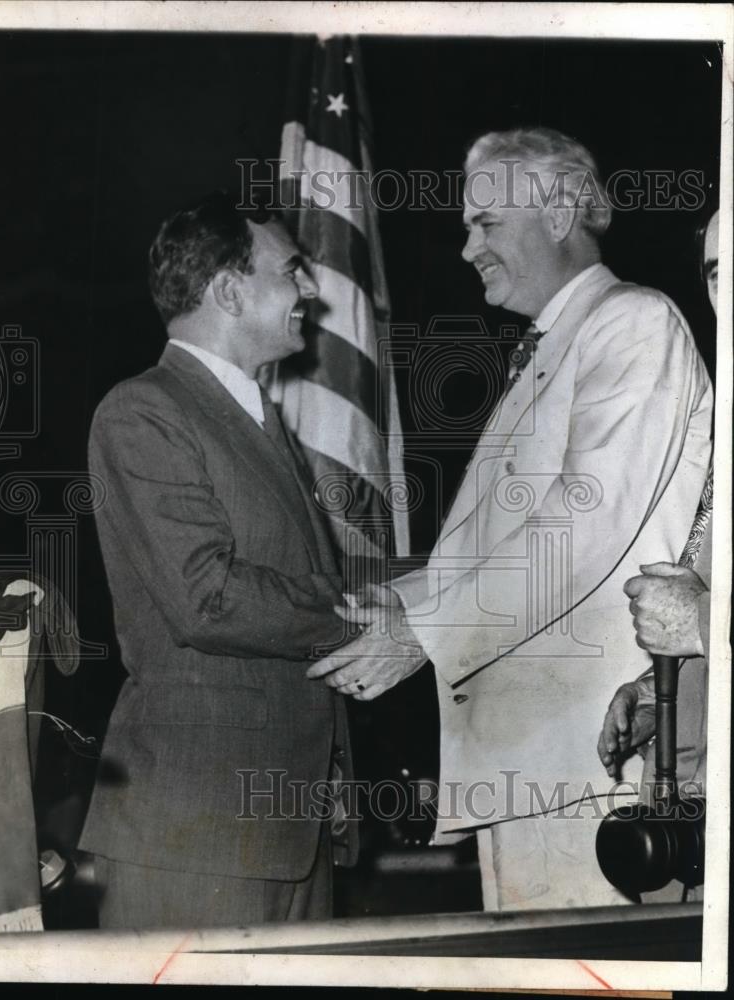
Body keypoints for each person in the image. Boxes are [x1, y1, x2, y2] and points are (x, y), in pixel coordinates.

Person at [307, 127, 713, 910]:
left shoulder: (632, 323)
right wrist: (403, 601)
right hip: (533, 765)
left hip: (586, 765)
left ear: (559, 212)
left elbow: (579, 529)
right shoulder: (555, 345)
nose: (466, 249)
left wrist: (423, 632)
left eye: (485, 224)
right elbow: (508, 541)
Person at [78, 193, 356, 929]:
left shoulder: (255, 417)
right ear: (230, 290)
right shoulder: (143, 411)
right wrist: (356, 618)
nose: (310, 291)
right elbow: (208, 596)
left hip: (290, 830)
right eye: (293, 271)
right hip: (197, 834)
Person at [597, 209, 719, 812]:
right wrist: (660, 696)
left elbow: (704, 611)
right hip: (689, 806)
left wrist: (699, 622)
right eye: (719, 275)